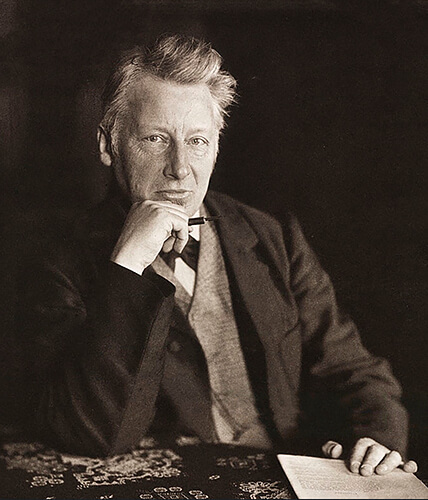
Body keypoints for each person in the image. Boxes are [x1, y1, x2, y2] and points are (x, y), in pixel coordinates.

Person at [18, 34, 417, 476]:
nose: (180, 167)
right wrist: (128, 265)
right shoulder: (59, 263)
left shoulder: (273, 237)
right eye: (155, 138)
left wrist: (375, 441)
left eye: (197, 141)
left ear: (216, 148)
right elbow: (91, 433)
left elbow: (356, 372)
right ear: (108, 145)